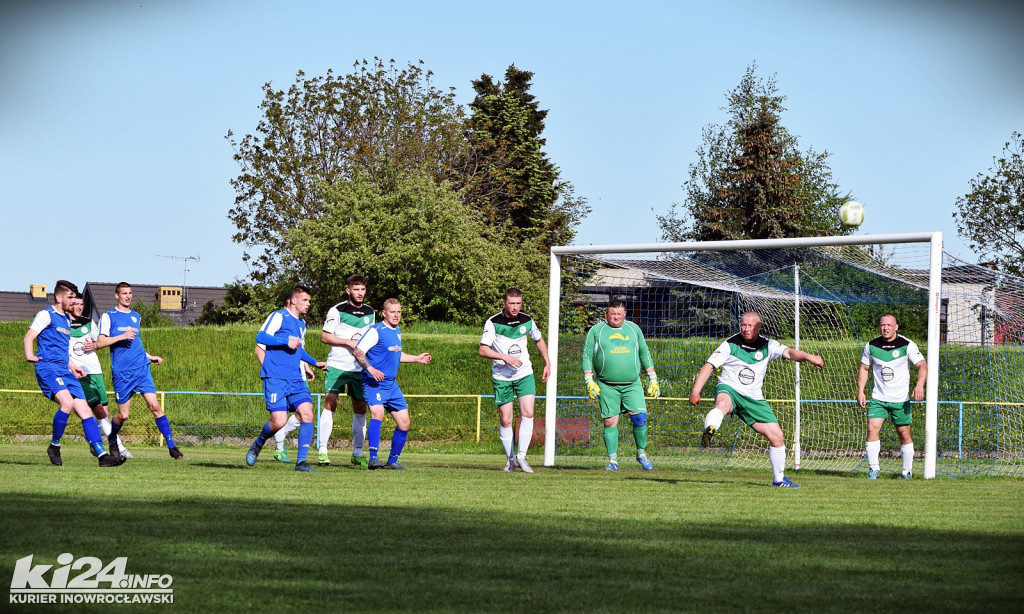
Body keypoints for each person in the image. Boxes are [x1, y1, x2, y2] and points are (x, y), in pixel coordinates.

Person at [690, 311, 824, 488]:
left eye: (750, 326)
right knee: (722, 404)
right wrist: (696, 391)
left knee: (777, 436)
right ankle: (710, 428)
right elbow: (709, 366)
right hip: (730, 389)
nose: (746, 329)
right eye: (743, 325)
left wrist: (808, 357)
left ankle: (779, 480)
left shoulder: (767, 345)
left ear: (759, 327)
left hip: (753, 398)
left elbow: (790, 353)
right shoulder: (730, 344)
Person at [23, 280, 120, 467]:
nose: (73, 301)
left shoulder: (67, 320)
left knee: (85, 412)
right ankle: (54, 445)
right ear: (59, 298)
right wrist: (30, 355)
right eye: (70, 297)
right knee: (67, 403)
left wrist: (72, 365)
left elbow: (62, 350)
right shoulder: (46, 314)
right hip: (48, 368)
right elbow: (29, 336)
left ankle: (102, 456)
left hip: (65, 370)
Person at [95, 282, 183, 460]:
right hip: (122, 373)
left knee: (155, 406)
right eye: (124, 293)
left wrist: (149, 356)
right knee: (123, 415)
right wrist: (122, 336)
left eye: (130, 293)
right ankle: (112, 438)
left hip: (141, 369)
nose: (128, 296)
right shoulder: (108, 316)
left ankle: (172, 445)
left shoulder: (136, 316)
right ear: (116, 296)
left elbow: (137, 344)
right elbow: (100, 343)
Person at [246, 285, 326, 471]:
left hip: (295, 379)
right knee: (279, 422)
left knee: (307, 414)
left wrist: (313, 363)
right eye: (305, 300)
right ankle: (258, 443)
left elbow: (299, 348)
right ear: (293, 300)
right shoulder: (279, 316)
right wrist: (285, 341)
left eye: (309, 301)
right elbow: (261, 337)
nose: (308, 304)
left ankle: (301, 462)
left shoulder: (301, 324)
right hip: (275, 378)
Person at [581, 299, 660, 471]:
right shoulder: (596, 331)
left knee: (640, 418)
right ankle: (613, 461)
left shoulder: (634, 329)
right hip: (607, 385)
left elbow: (644, 352)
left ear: (624, 314)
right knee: (610, 421)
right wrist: (589, 380)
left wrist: (653, 378)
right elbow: (587, 355)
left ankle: (641, 454)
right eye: (612, 314)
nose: (615, 317)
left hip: (632, 384)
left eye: (619, 314)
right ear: (606, 315)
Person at [353, 298, 431, 470]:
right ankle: (373, 458)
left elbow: (397, 355)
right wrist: (370, 369)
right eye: (392, 312)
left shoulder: (396, 331)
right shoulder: (376, 331)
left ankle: (392, 460)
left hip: (391, 384)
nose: (396, 315)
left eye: (399, 312)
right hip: (374, 383)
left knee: (404, 422)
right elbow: (358, 351)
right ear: (384, 313)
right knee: (377, 413)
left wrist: (416, 358)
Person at [479, 288, 550, 473]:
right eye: (511, 303)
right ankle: (510, 459)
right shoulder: (493, 322)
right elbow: (483, 350)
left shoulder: (527, 320)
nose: (515, 307)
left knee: (528, 413)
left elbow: (539, 340)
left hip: (524, 373)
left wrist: (547, 362)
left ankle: (522, 457)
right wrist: (504, 357)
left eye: (518, 303)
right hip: (502, 377)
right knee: (506, 419)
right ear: (504, 303)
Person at [856, 313, 927, 480]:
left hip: (900, 399)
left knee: (904, 433)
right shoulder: (871, 345)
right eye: (882, 325)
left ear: (896, 327)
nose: (885, 328)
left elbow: (922, 366)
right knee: (872, 428)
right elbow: (864, 369)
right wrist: (860, 390)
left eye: (889, 325)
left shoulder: (907, 345)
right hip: (878, 398)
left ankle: (906, 471)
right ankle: (874, 469)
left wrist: (919, 386)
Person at [315, 274, 375, 467]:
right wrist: (347, 342)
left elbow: (371, 339)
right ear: (348, 290)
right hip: (337, 366)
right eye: (356, 289)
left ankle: (357, 453)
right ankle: (323, 450)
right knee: (331, 404)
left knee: (360, 408)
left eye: (363, 289)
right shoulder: (337, 310)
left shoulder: (370, 312)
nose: (360, 293)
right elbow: (325, 337)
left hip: (359, 368)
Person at [69, 293, 130, 458]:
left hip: (96, 371)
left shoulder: (88, 323)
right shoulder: (62, 324)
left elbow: (101, 342)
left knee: (104, 411)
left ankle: (91, 437)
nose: (79, 307)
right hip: (79, 374)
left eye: (81, 304)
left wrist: (94, 345)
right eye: (75, 304)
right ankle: (119, 447)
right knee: (98, 412)